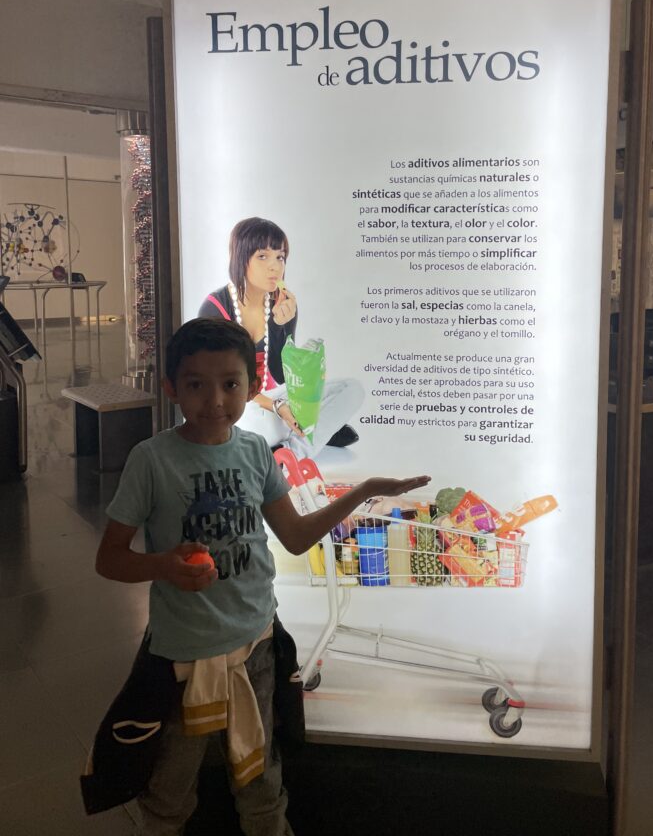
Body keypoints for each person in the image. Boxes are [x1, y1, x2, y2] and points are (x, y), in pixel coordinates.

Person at [93, 317, 429, 836]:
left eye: (230, 384)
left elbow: (293, 536)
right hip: (183, 658)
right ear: (171, 388)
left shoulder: (253, 451)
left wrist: (362, 492)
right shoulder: (151, 460)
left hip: (257, 646)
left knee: (262, 782)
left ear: (252, 388)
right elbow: (110, 559)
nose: (215, 401)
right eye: (196, 385)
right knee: (169, 791)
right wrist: (163, 565)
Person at [198, 216, 363, 453]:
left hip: (272, 398)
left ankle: (290, 454)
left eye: (280, 257)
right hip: (236, 403)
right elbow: (219, 383)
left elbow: (280, 374)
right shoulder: (215, 308)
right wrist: (277, 406)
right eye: (262, 256)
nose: (275, 266)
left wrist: (278, 326)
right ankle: (319, 427)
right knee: (257, 427)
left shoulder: (282, 304)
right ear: (241, 258)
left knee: (352, 389)